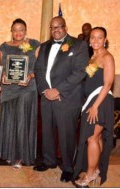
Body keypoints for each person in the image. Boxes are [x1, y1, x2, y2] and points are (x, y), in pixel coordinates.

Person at [34, 16, 89, 182]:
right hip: (46, 97)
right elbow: (38, 70)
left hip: (67, 98)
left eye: (59, 26)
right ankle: (49, 161)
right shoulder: (44, 46)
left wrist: (58, 90)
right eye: (52, 27)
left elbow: (80, 72)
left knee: (66, 133)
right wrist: (45, 90)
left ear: (65, 27)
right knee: (47, 131)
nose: (55, 30)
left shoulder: (78, 45)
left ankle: (67, 167)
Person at [0, 18, 40, 169]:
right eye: (15, 30)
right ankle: (8, 153)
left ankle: (20, 157)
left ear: (25, 30)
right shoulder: (4, 47)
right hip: (8, 89)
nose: (18, 32)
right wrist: (1, 77)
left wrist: (30, 76)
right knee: (9, 120)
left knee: (22, 121)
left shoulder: (34, 45)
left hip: (27, 88)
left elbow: (41, 67)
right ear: (11, 31)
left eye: (21, 29)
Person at [73, 27, 115, 187]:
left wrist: (96, 106)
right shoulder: (92, 57)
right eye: (93, 38)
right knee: (96, 137)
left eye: (99, 38)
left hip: (101, 102)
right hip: (91, 101)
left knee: (91, 137)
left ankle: (90, 174)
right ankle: (95, 169)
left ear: (105, 40)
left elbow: (108, 83)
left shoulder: (107, 57)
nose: (95, 41)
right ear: (89, 40)